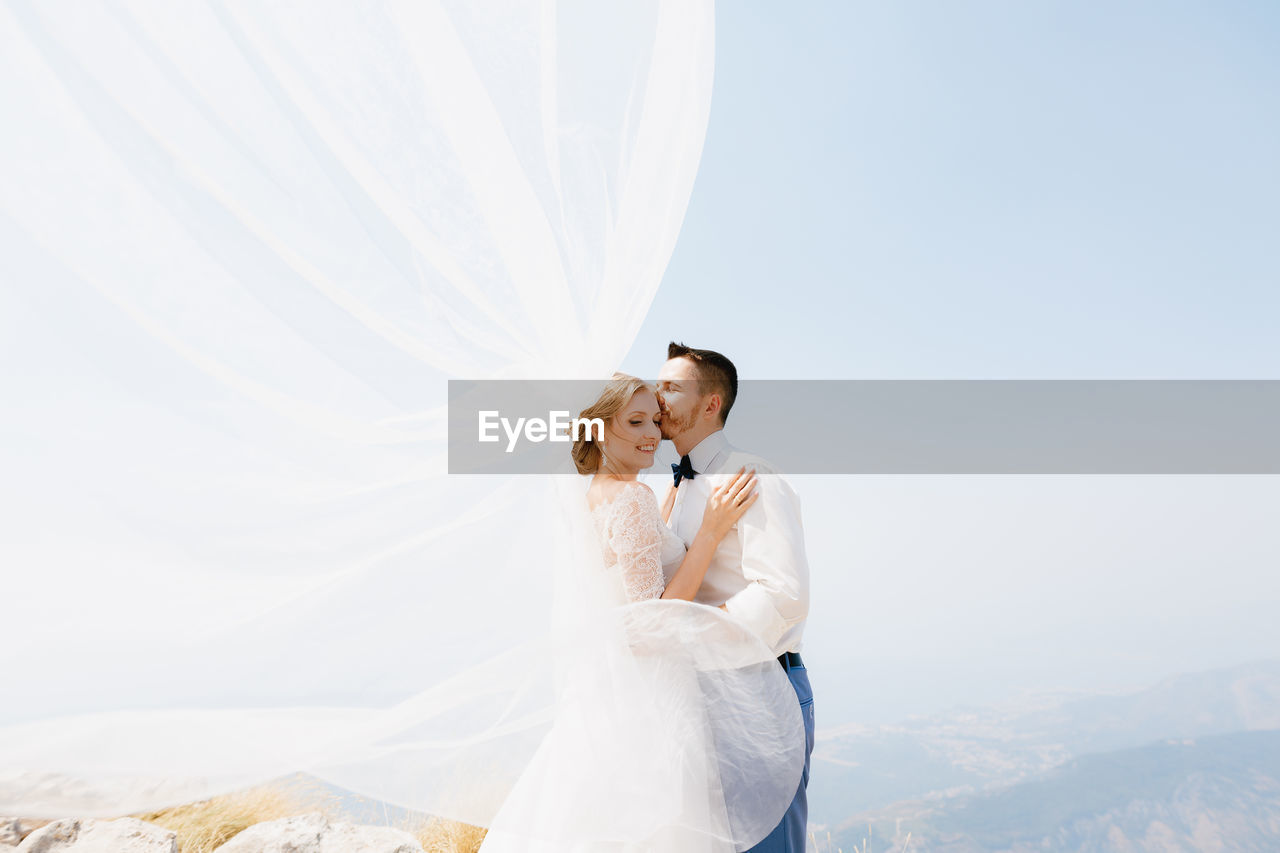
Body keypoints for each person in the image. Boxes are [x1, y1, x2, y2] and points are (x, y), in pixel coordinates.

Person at [477, 374, 805, 852]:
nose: (653, 432)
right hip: (654, 691)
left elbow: (629, 576)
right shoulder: (632, 498)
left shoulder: (593, 497)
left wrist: (670, 516)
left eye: (654, 419)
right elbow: (651, 623)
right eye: (635, 421)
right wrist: (711, 532)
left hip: (612, 688)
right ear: (598, 429)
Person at [657, 342, 814, 853]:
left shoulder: (750, 475)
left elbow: (784, 596)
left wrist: (690, 631)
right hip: (698, 695)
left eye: (671, 387)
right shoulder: (676, 489)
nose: (656, 397)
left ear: (710, 404)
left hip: (760, 689)